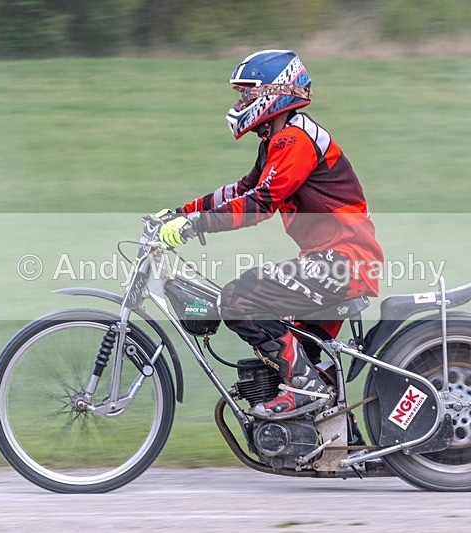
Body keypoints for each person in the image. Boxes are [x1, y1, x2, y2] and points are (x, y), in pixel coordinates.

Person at [159, 50, 384, 418]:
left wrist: (195, 225)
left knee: (239, 299)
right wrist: (182, 212)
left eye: (247, 94)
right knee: (298, 351)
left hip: (344, 262)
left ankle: (306, 389)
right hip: (333, 262)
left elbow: (260, 203)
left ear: (275, 92)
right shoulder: (277, 141)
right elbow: (242, 190)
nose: (240, 103)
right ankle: (330, 426)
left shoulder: (296, 140)